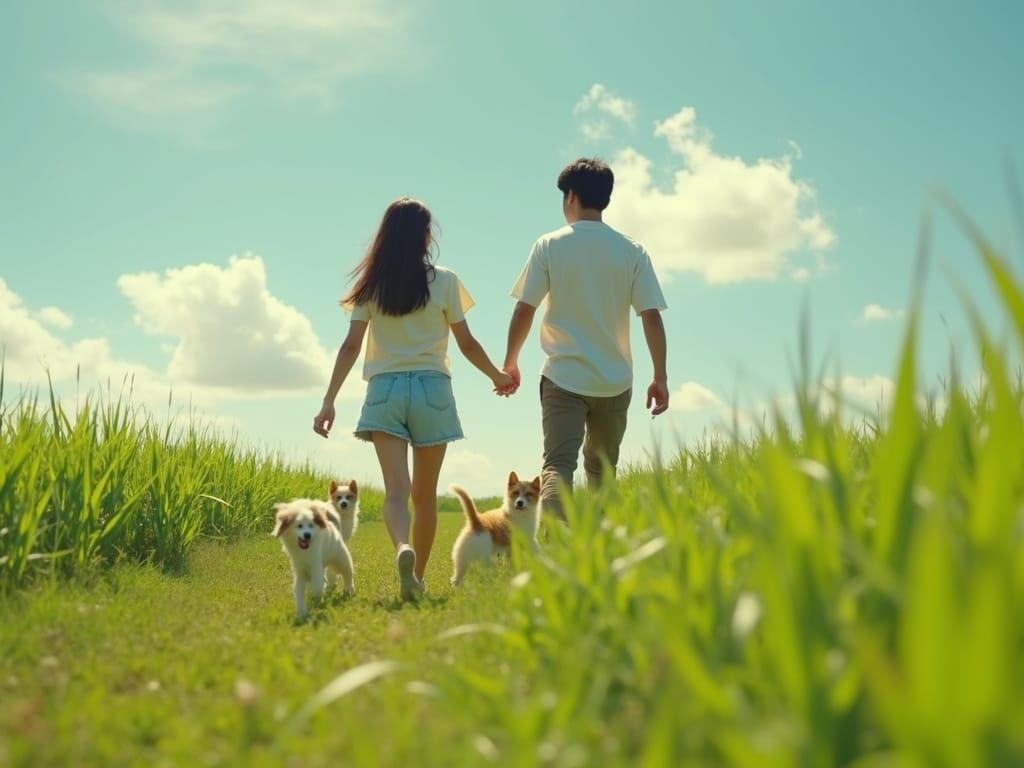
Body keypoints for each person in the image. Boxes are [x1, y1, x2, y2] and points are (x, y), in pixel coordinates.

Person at [313, 197, 514, 600]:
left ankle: (402, 547)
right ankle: (416, 578)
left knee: (395, 492)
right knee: (425, 497)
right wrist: (499, 376)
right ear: (425, 237)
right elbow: (468, 344)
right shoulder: (446, 281)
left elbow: (351, 346)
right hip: (432, 389)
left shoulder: (370, 286)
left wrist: (329, 400)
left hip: (384, 390)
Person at [501, 157, 669, 521]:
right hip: (614, 381)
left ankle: (561, 548)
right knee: (602, 471)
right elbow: (651, 317)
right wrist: (660, 377)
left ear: (571, 197)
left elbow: (524, 310)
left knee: (557, 466)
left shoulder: (549, 244)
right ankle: (602, 550)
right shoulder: (632, 251)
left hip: (563, 377)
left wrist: (510, 362)